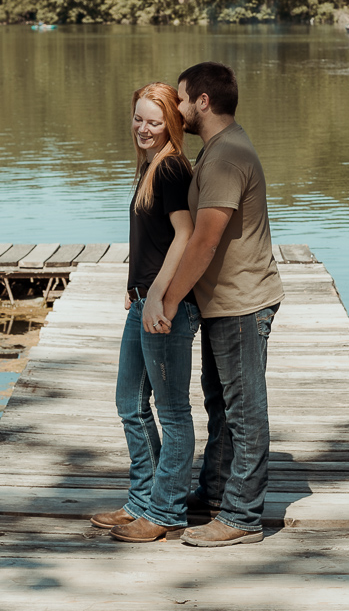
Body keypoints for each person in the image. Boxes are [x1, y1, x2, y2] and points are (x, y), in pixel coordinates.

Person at [143, 61, 284, 547]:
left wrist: (166, 298)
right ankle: (217, 492)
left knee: (244, 410)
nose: (177, 110)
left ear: (202, 101)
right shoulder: (220, 149)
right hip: (224, 303)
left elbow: (204, 240)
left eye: (181, 100)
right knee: (220, 404)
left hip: (242, 302)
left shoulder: (225, 158)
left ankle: (242, 517)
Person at [90, 82, 199, 543]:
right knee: (129, 404)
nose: (143, 128)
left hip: (166, 307)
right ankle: (142, 501)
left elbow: (185, 234)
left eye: (154, 121)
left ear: (172, 124)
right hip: (144, 301)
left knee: (172, 413)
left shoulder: (172, 168)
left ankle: (167, 511)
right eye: (138, 118)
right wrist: (135, 287)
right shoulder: (151, 167)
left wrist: (156, 295)